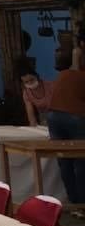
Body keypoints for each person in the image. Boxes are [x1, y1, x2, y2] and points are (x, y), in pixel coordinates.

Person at [48, 31, 85, 207]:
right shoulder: (75, 71)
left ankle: (74, 201)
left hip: (54, 113)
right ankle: (82, 203)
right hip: (74, 114)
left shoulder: (66, 72)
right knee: (80, 159)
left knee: (64, 159)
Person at [16, 57, 53, 127]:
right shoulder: (27, 94)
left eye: (32, 79)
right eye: (26, 82)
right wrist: (33, 127)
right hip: (44, 120)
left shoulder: (50, 86)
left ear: (36, 76)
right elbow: (31, 117)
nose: (30, 83)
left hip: (58, 116)